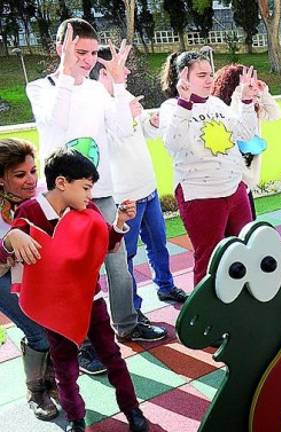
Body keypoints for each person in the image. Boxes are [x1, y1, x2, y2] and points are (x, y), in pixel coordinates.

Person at [25, 19, 166, 374]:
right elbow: (54, 123)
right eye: (79, 52)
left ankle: (128, 324)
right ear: (60, 49)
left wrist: (117, 86)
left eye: (90, 53)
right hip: (61, 200)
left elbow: (120, 128)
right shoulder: (40, 88)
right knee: (76, 277)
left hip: (101, 194)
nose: (87, 60)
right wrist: (66, 75)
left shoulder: (96, 91)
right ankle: (83, 343)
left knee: (118, 269)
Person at [3, 148, 149, 432]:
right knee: (65, 365)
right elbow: (5, 252)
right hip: (55, 307)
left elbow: (105, 243)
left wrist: (118, 223)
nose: (90, 196)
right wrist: (14, 236)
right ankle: (76, 418)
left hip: (90, 300)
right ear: (61, 183)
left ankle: (132, 410)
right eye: (85, 188)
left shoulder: (88, 211)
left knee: (111, 355)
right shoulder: (30, 212)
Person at [90, 46, 188, 328]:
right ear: (104, 73)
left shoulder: (126, 97)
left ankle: (166, 285)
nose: (128, 72)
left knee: (159, 242)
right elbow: (113, 137)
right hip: (123, 197)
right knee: (125, 256)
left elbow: (145, 129)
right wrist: (128, 114)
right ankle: (132, 309)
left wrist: (151, 122)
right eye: (120, 67)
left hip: (148, 187)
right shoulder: (96, 107)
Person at [158, 51, 260, 285]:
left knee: (244, 251)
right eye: (201, 75)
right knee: (210, 259)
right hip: (200, 195)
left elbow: (245, 133)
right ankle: (205, 318)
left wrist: (245, 101)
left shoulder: (216, 103)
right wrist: (184, 104)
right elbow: (174, 143)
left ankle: (245, 306)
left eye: (210, 74)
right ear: (182, 77)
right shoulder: (171, 107)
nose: (209, 80)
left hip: (234, 190)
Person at [0, 138, 57, 420]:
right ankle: (36, 390)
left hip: (31, 270)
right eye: (20, 175)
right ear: (1, 179)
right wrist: (9, 242)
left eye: (33, 171)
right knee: (38, 332)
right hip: (1, 274)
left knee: (54, 325)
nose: (30, 180)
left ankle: (50, 379)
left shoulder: (43, 195)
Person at [212, 63, 281, 218]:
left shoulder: (254, 107)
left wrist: (263, 93)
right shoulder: (224, 111)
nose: (250, 87)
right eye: (245, 83)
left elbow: (276, 114)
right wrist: (241, 95)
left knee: (249, 223)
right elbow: (238, 121)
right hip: (233, 176)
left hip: (248, 175)